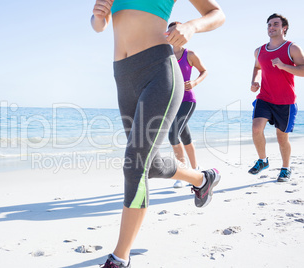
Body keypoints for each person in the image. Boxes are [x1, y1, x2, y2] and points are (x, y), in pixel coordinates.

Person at [91, 0, 225, 267]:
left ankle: (119, 258)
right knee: (147, 163)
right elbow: (99, 26)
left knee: (135, 164)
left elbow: (217, 13)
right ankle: (202, 179)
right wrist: (98, 15)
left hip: (159, 72)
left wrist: (191, 26)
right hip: (123, 76)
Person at [249, 13, 304, 182]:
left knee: (282, 138)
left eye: (275, 24)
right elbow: (257, 67)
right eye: (269, 25)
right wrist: (254, 81)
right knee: (256, 128)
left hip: (285, 101)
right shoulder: (260, 50)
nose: (271, 27)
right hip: (264, 97)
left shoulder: (292, 48)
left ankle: (286, 168)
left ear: (284, 28)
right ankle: (263, 160)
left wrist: (283, 66)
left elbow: (302, 70)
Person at [167, 21, 208, 189]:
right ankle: (196, 169)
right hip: (171, 103)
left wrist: (195, 82)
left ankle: (182, 174)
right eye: (169, 33)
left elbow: (204, 71)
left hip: (187, 101)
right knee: (184, 137)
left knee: (172, 134)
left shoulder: (190, 54)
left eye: (175, 32)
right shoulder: (165, 56)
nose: (172, 35)